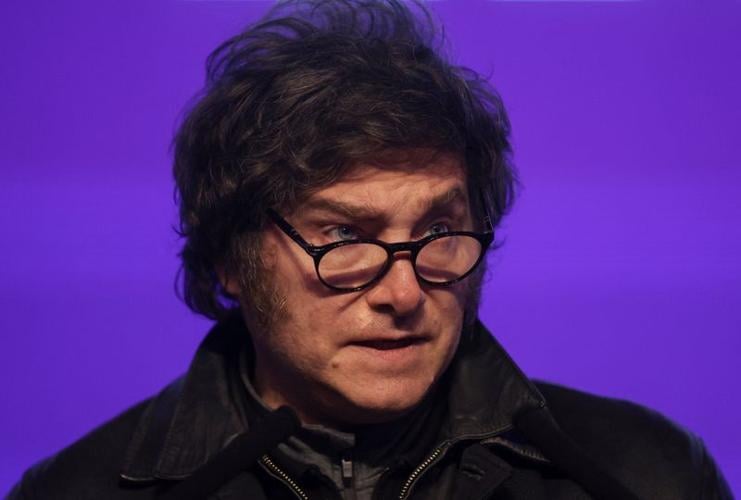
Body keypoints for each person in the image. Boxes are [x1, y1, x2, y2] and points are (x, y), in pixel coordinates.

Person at [8, 1, 732, 499]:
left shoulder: (646, 475)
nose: (405, 293)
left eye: (437, 231)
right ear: (231, 259)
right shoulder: (78, 491)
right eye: (345, 236)